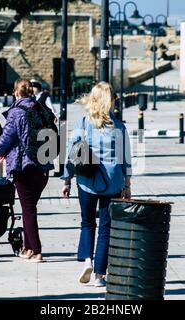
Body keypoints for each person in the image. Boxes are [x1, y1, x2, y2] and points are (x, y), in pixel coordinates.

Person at [61, 82, 132, 287]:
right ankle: (100, 276)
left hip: (87, 181)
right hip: (113, 182)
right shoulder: (118, 126)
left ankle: (87, 260)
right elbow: (125, 158)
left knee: (87, 222)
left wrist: (67, 180)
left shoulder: (82, 123)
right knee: (106, 228)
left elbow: (72, 153)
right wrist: (127, 184)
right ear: (109, 101)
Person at [0, 79, 55, 263]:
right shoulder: (43, 109)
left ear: (16, 92)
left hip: (24, 166)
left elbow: (6, 137)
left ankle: (36, 251)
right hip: (42, 166)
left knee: (28, 209)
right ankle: (28, 248)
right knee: (30, 208)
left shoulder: (16, 112)